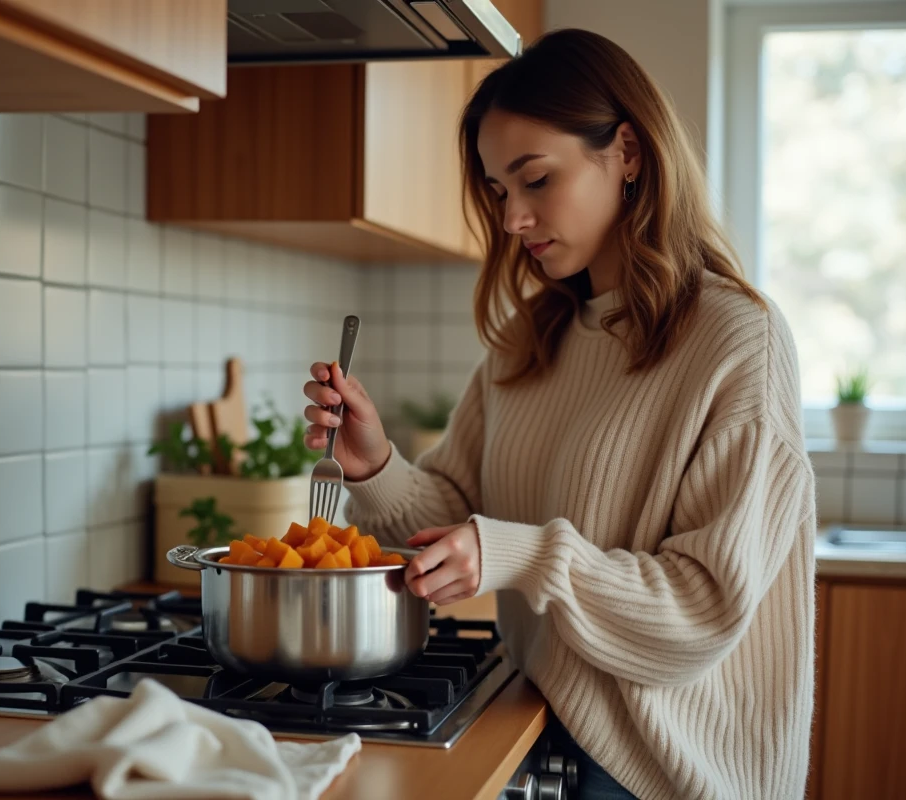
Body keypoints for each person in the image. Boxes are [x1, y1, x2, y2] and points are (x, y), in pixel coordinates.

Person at [302, 28, 815, 800]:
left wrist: (525, 557)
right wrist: (373, 463)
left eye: (535, 180)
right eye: (499, 191)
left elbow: (701, 613)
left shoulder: (738, 339)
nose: (512, 219)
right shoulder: (529, 341)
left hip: (663, 769)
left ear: (630, 155)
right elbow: (454, 517)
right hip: (538, 717)